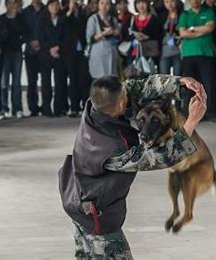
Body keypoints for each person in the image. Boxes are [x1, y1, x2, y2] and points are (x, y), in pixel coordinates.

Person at [58, 74, 207, 259]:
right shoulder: (112, 148)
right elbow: (157, 157)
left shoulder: (96, 102)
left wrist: (178, 82)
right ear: (121, 105)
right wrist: (192, 121)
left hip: (78, 198)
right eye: (125, 97)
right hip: (96, 216)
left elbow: (135, 87)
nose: (129, 95)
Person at [178, 0, 216, 119]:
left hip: (205, 53)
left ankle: (209, 112)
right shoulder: (184, 14)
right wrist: (201, 31)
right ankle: (191, 114)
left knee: (208, 83)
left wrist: (192, 29)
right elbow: (182, 33)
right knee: (190, 86)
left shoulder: (209, 11)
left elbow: (210, 28)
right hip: (188, 54)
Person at [0, 0, 29, 119]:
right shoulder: (1, 18)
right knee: (4, 82)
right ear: (6, 4)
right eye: (9, 2)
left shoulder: (21, 18)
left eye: (14, 3)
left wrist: (16, 18)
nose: (12, 5)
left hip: (17, 52)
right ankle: (4, 108)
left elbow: (24, 33)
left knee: (16, 82)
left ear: (17, 4)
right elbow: (1, 35)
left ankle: (17, 109)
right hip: (4, 53)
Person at [36, 0, 68, 117]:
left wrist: (58, 48)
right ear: (48, 7)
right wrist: (50, 49)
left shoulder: (62, 19)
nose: (54, 7)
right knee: (46, 83)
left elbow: (66, 37)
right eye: (52, 5)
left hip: (59, 54)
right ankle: (46, 108)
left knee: (59, 83)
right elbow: (40, 37)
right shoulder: (42, 20)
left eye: (56, 5)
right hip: (45, 54)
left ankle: (58, 109)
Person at [64, 0, 89, 114]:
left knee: (83, 78)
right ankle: (73, 106)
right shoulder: (65, 12)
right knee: (72, 79)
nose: (77, 0)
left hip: (83, 50)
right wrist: (70, 10)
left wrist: (83, 10)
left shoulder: (84, 12)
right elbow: (62, 25)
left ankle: (84, 105)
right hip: (70, 50)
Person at [23, 0, 46, 117]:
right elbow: (23, 30)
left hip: (43, 51)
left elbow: (48, 30)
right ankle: (33, 108)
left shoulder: (46, 10)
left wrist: (40, 42)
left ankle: (45, 106)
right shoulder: (25, 12)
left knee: (45, 80)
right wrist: (30, 41)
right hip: (30, 51)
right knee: (32, 81)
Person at [86, 0, 121, 80]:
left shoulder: (113, 19)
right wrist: (103, 33)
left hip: (111, 52)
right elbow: (89, 39)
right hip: (98, 53)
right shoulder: (93, 19)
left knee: (111, 79)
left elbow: (118, 37)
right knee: (99, 80)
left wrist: (115, 33)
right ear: (98, 5)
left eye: (107, 4)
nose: (104, 6)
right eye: (102, 3)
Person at [130, 0, 162, 66]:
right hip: (135, 53)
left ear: (148, 4)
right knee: (136, 76)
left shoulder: (154, 19)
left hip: (150, 52)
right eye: (138, 3)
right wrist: (135, 36)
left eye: (143, 2)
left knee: (149, 75)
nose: (141, 5)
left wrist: (147, 37)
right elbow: (127, 34)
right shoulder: (132, 19)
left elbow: (159, 35)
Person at [158, 0, 182, 76]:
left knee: (178, 77)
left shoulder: (182, 14)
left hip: (179, 50)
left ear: (176, 0)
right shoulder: (162, 16)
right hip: (165, 50)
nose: (170, 4)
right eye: (167, 2)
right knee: (164, 78)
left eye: (172, 1)